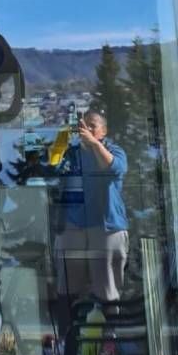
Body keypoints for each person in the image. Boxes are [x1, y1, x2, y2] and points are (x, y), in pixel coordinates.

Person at [54, 111, 129, 303]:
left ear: (104, 131)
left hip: (106, 226)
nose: (86, 129)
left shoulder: (114, 150)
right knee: (69, 286)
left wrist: (94, 144)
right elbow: (51, 169)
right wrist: (62, 139)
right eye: (83, 126)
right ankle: (68, 327)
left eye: (92, 126)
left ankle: (110, 328)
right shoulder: (72, 154)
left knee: (107, 287)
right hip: (74, 224)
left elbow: (114, 168)